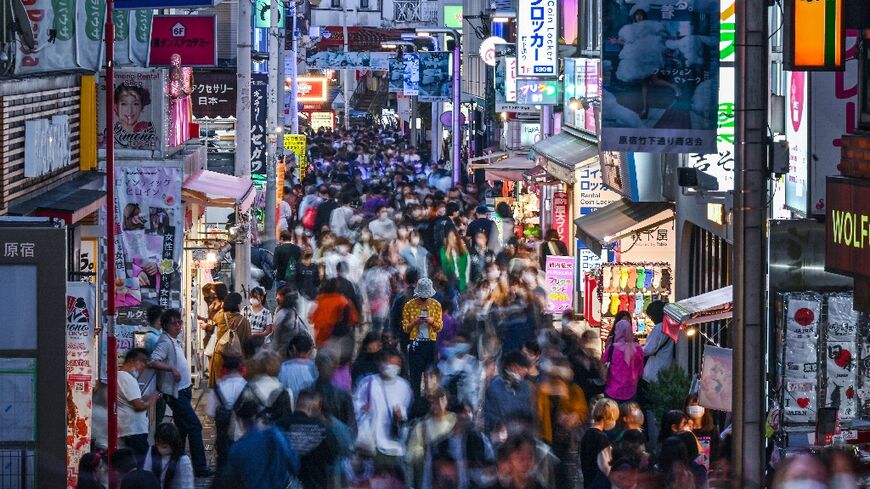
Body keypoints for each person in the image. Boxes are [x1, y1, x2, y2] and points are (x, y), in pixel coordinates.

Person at [148, 309, 212, 477]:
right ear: (165, 326)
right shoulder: (165, 341)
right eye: (174, 323)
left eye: (179, 322)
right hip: (175, 394)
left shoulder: (173, 340)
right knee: (195, 426)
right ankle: (200, 467)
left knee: (182, 429)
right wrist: (171, 369)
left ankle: (175, 464)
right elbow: (153, 360)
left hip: (183, 391)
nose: (178, 326)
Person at [221, 398, 300, 489]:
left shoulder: (237, 449)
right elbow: (294, 464)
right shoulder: (278, 435)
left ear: (240, 421)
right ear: (259, 417)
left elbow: (233, 479)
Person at [352, 349, 413, 461]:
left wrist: (400, 415)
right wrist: (362, 408)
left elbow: (408, 411)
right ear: (381, 363)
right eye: (390, 363)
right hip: (369, 443)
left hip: (392, 443)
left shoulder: (404, 387)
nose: (393, 367)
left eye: (397, 364)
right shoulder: (367, 382)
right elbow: (356, 403)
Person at [275, 390, 339, 489]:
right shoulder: (323, 430)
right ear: (310, 408)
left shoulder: (277, 427)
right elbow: (332, 467)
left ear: (296, 404)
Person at [405, 389, 458, 489]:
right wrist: (425, 454)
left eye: (442, 400)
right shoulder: (422, 426)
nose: (438, 404)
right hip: (429, 473)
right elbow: (411, 454)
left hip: (452, 470)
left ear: (447, 401)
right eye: (435, 401)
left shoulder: (455, 421)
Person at [402, 277, 445, 399]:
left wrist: (431, 322)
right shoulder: (409, 306)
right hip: (415, 343)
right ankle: (415, 400)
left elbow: (439, 327)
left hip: (431, 344)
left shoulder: (436, 306)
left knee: (430, 374)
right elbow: (406, 328)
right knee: (415, 375)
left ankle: (430, 399)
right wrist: (414, 322)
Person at [117, 348, 158, 463]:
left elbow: (129, 400)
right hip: (134, 430)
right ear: (132, 361)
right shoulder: (128, 379)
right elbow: (138, 405)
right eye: (142, 361)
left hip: (126, 428)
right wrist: (151, 400)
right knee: (140, 463)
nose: (144, 366)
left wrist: (144, 399)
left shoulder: (119, 376)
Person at [205, 356, 247, 468]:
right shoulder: (247, 386)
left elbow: (210, 413)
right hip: (244, 435)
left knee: (224, 466)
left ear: (224, 370)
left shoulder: (217, 388)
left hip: (223, 435)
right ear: (241, 369)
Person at [483, 351, 533, 433]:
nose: (524, 371)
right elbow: (492, 418)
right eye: (520, 368)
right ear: (510, 367)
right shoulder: (494, 387)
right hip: (500, 435)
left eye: (525, 368)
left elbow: (528, 414)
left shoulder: (525, 387)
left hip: (522, 434)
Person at [209, 293, 252, 388]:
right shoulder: (244, 322)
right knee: (235, 386)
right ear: (237, 305)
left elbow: (211, 319)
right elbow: (248, 341)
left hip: (219, 355)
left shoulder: (219, 316)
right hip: (237, 358)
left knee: (220, 387)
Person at [581, 398, 619, 489]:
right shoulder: (601, 437)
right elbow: (606, 466)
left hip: (588, 482)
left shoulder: (587, 434)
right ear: (609, 416)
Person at [309, 278, 360, 346]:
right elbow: (354, 319)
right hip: (336, 338)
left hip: (320, 338)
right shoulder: (343, 301)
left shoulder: (318, 300)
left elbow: (310, 318)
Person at [602, 320, 644, 402]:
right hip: (630, 391)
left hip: (612, 391)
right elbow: (640, 372)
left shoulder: (612, 348)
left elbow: (603, 362)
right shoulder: (638, 349)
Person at [143, 423, 194, 489]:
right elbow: (147, 473)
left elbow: (187, 484)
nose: (160, 448)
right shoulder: (152, 451)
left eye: (164, 446)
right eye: (158, 444)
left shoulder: (183, 459)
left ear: (173, 444)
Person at [684, 393, 719, 472]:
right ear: (686, 408)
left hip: (708, 474)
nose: (696, 407)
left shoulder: (712, 430)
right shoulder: (683, 431)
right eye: (693, 404)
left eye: (699, 404)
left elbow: (717, 453)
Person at [642, 300, 674, 384]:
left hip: (655, 368)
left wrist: (636, 349)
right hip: (666, 363)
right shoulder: (669, 325)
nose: (651, 319)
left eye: (651, 316)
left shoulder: (659, 328)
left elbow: (649, 349)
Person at [278, 334, 319, 400]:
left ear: (293, 349)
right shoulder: (316, 368)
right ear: (310, 351)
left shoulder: (282, 368)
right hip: (307, 407)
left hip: (286, 407)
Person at [440, 228, 470, 293]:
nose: (452, 238)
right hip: (451, 281)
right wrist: (448, 250)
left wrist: (467, 282)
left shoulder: (462, 249)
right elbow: (444, 268)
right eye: (450, 236)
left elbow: (467, 266)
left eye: (454, 236)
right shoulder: (443, 250)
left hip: (462, 281)